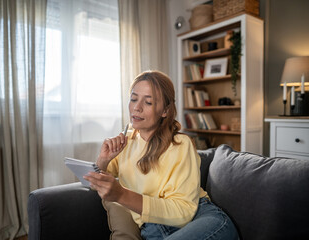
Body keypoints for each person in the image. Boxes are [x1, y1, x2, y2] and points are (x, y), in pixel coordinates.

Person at [84, 70, 238, 239]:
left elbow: (184, 212)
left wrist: (122, 194)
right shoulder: (125, 142)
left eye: (148, 102)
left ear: (164, 110)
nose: (137, 107)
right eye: (134, 99)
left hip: (201, 219)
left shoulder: (180, 144)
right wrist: (103, 159)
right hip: (153, 230)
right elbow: (92, 184)